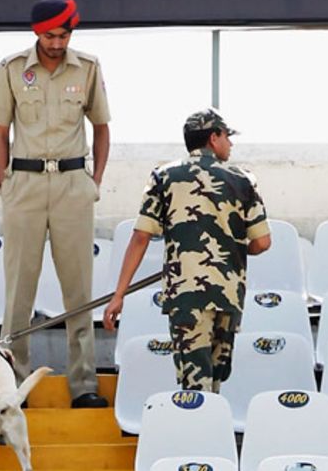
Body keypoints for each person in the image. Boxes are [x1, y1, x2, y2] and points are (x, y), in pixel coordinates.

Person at [0, 0, 110, 409]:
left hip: (74, 182)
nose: (58, 43)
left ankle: (84, 383)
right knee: (19, 291)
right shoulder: (12, 69)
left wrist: (94, 180)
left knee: (80, 290)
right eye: (51, 35)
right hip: (26, 182)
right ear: (37, 33)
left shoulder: (87, 68)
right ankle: (13, 385)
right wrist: (5, 181)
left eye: (65, 34)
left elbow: (102, 128)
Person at [104, 108, 271, 393]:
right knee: (215, 380)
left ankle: (199, 434)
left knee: (194, 382)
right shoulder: (243, 179)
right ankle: (210, 434)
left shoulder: (163, 176)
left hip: (186, 295)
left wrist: (119, 295)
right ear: (213, 137)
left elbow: (142, 236)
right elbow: (262, 242)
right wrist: (232, 247)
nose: (230, 143)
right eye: (227, 136)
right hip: (228, 294)